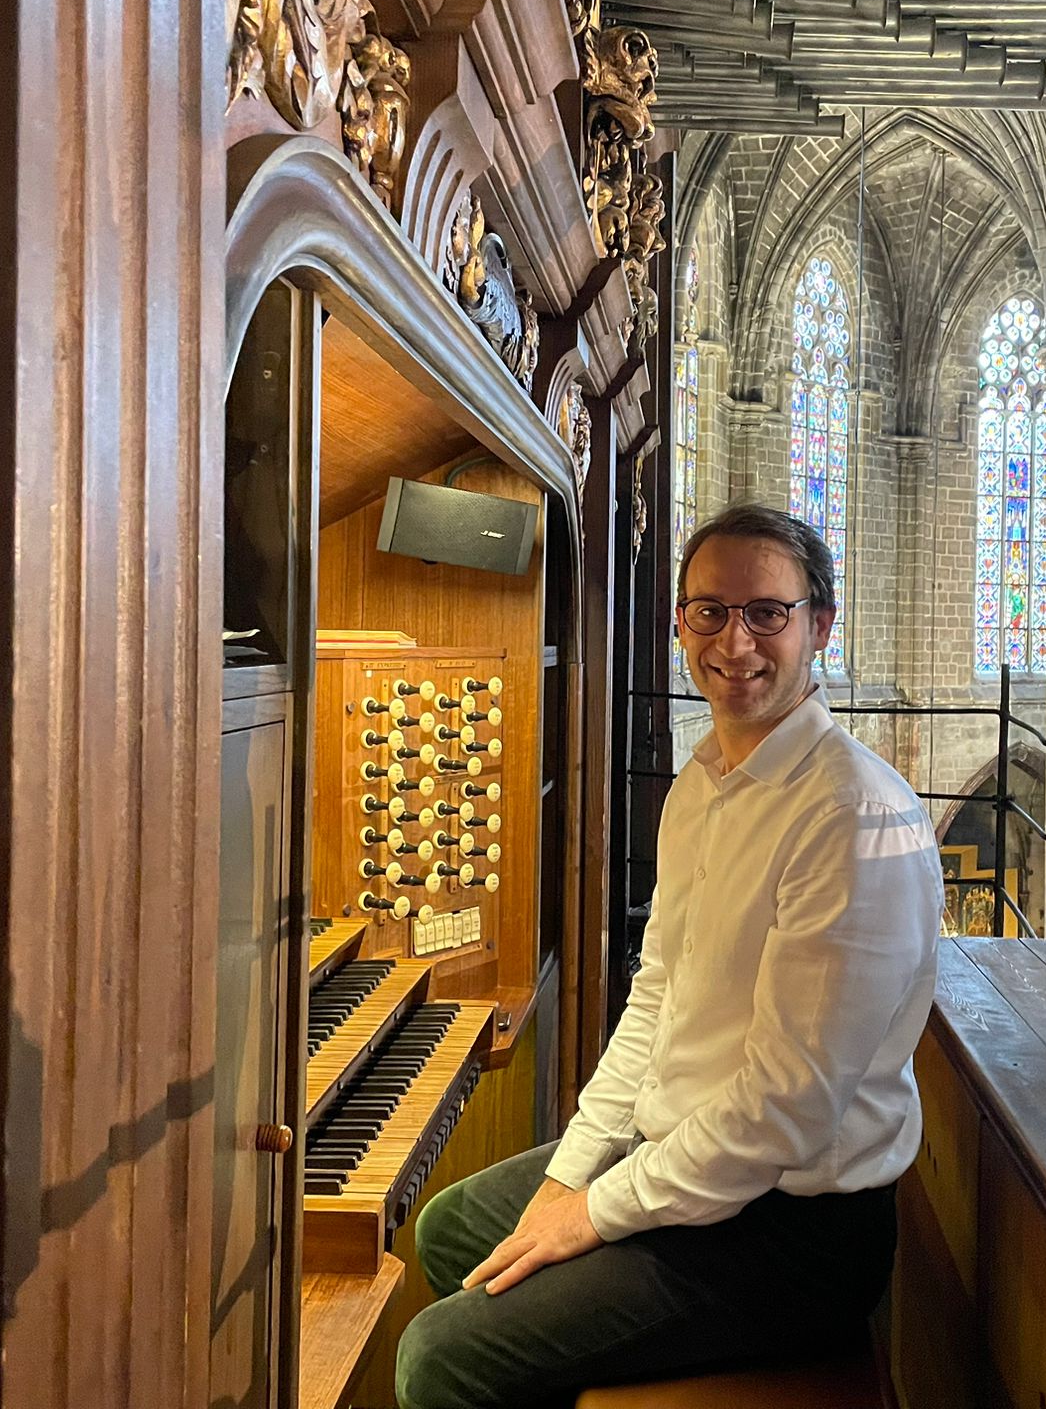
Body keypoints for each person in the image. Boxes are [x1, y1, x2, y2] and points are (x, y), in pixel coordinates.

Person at [393, 503, 945, 1409]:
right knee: (453, 1226)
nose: (736, 642)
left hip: (790, 1235)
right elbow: (654, 998)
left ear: (820, 625)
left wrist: (595, 1213)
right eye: (709, 611)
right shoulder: (705, 783)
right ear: (679, 622)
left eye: (767, 611)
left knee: (438, 1360)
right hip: (689, 1163)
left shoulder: (851, 816)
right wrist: (572, 1175)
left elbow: (783, 1117)